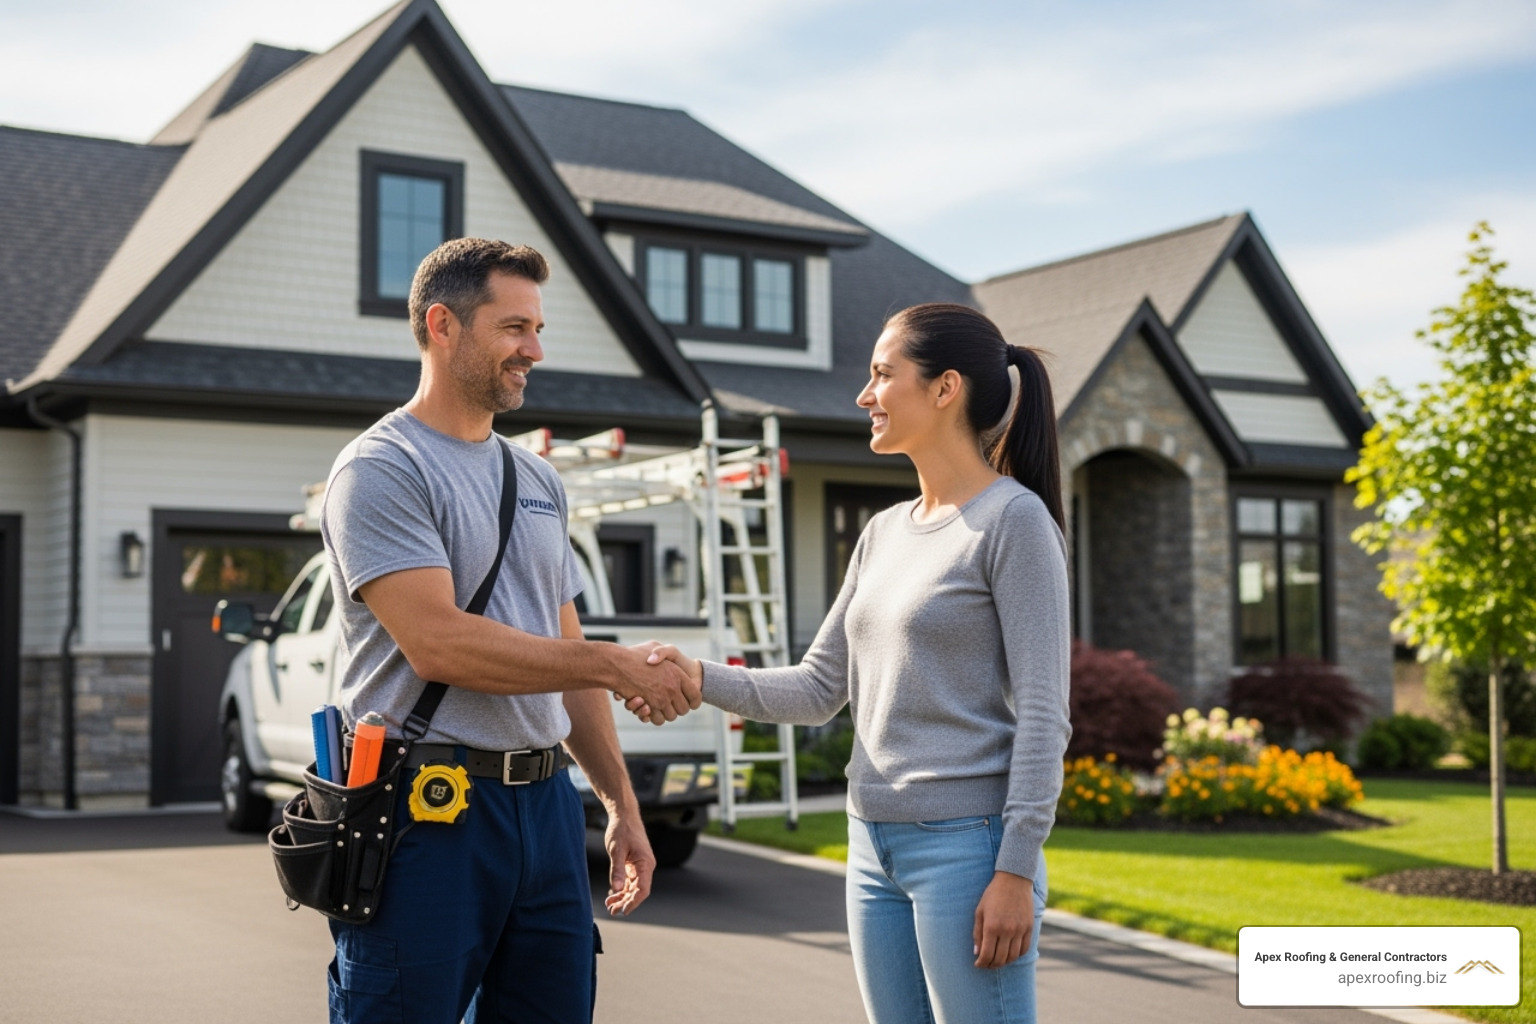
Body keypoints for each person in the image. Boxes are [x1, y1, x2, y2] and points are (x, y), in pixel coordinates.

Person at [642, 302, 1072, 1024]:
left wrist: (1015, 870)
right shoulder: (882, 533)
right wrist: (698, 677)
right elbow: (817, 688)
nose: (864, 395)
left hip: (968, 851)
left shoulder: (1014, 521)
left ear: (945, 389)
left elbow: (1044, 716)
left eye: (881, 375)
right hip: (871, 846)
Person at [319, 237, 698, 1024]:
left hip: (547, 814)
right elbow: (439, 643)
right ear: (443, 325)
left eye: (538, 328)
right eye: (514, 327)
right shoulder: (382, 469)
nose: (535, 349)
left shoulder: (536, 478)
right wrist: (616, 664)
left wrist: (621, 806)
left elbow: (568, 660)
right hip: (425, 812)